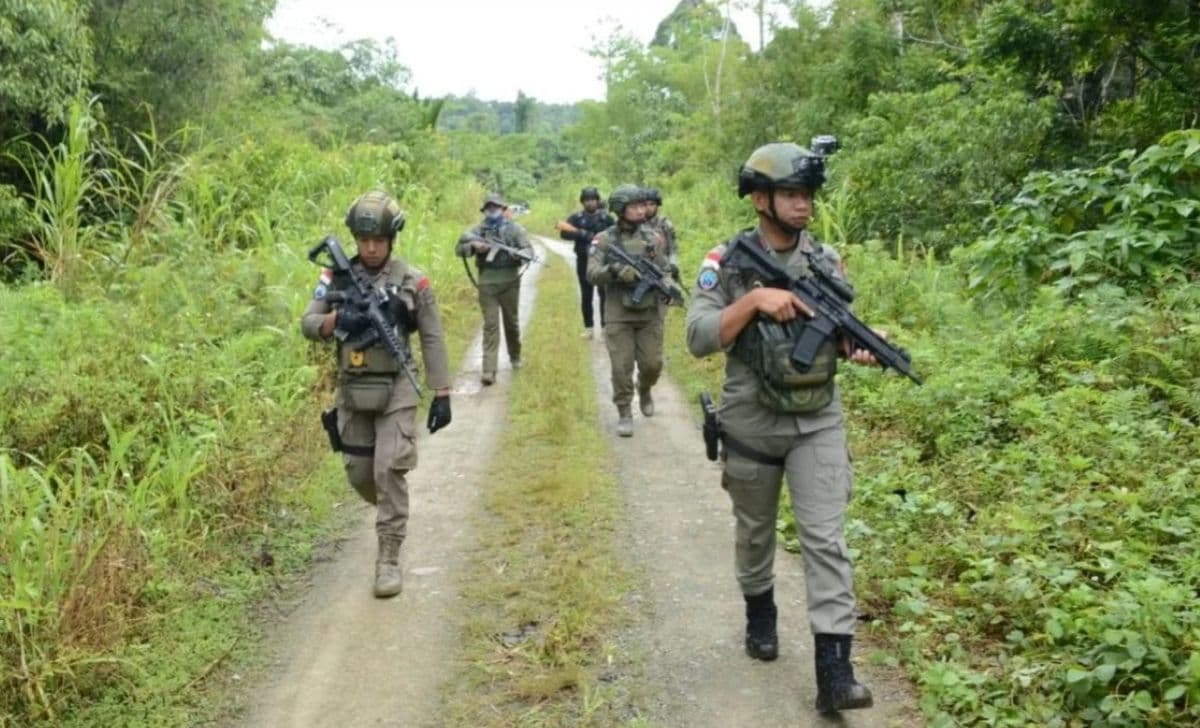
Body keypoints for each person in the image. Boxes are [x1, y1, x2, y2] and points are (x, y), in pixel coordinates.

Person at [684, 143, 876, 714]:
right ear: (761, 199)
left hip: (817, 419)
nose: (804, 207)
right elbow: (698, 337)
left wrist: (854, 345)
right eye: (793, 195)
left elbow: (837, 329)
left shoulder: (825, 260)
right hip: (751, 419)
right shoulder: (727, 261)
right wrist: (756, 302)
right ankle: (760, 610)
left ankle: (835, 673)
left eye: (808, 196)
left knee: (825, 539)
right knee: (755, 533)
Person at [301, 190, 453, 599]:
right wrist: (337, 319)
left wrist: (443, 392)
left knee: (389, 468)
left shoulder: (412, 280)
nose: (370, 249)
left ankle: (388, 556)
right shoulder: (334, 277)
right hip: (353, 386)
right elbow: (308, 322)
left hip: (398, 382)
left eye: (379, 241)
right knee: (360, 474)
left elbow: (434, 337)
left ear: (391, 240)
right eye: (364, 241)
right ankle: (391, 509)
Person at [586, 184, 675, 438]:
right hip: (618, 314)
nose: (640, 210)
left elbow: (665, 268)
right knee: (620, 366)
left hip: (650, 313)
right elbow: (591, 273)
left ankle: (644, 388)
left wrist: (667, 285)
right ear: (620, 209)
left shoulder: (654, 238)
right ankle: (624, 411)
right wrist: (613, 271)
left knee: (652, 364)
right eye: (634, 206)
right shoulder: (604, 240)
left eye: (642, 205)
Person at [456, 192, 533, 385]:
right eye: (489, 207)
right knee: (491, 326)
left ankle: (515, 357)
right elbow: (459, 248)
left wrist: (519, 255)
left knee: (512, 323)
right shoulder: (477, 230)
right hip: (487, 282)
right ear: (484, 210)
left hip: (510, 282)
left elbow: (529, 250)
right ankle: (489, 370)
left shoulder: (515, 229)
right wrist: (474, 247)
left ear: (503, 209)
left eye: (496, 207)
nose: (493, 211)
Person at [558, 186, 615, 338]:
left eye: (593, 200)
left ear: (597, 201)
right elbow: (564, 234)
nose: (590, 203)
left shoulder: (606, 218)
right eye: (587, 200)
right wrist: (580, 235)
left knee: (604, 293)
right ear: (583, 202)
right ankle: (589, 327)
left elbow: (616, 236)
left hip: (602, 261)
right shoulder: (576, 218)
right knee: (586, 294)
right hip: (583, 259)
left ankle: (604, 326)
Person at [642, 187, 678, 271]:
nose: (648, 208)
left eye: (652, 204)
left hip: (664, 268)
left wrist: (673, 265)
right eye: (645, 205)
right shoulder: (636, 225)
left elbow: (673, 249)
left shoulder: (665, 224)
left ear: (657, 205)